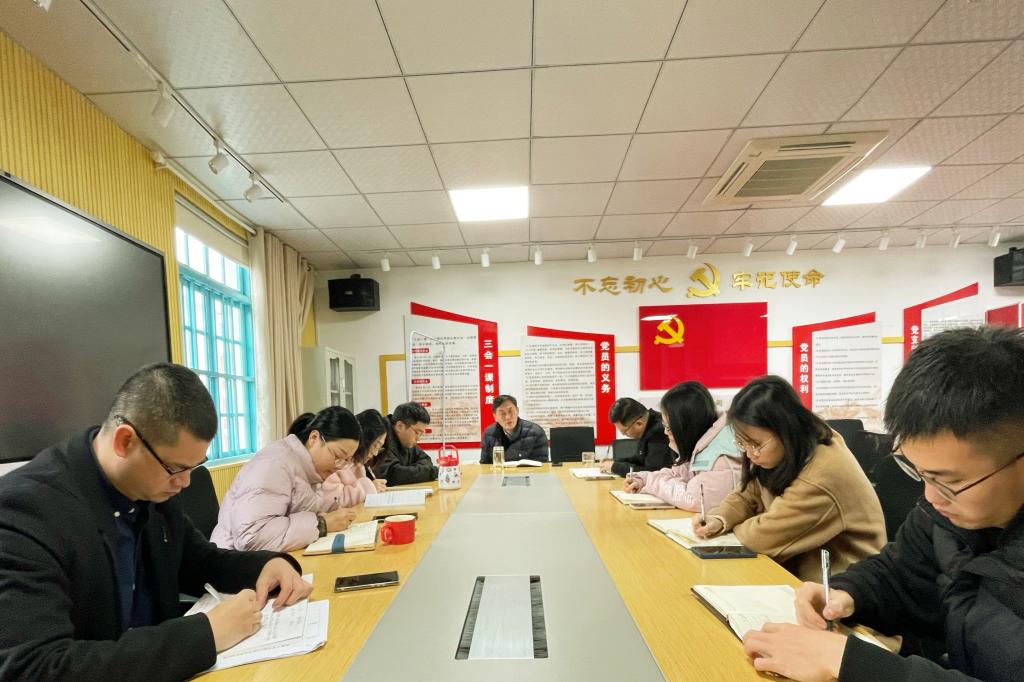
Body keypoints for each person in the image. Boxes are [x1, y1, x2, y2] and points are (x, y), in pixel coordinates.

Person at [742, 327, 1024, 682]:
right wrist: (849, 592)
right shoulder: (944, 516)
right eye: (918, 472)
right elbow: (900, 572)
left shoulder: (823, 465)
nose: (930, 497)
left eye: (949, 482)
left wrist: (855, 665)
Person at [0, 363, 311, 681]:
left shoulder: (152, 491)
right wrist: (207, 635)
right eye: (176, 468)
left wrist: (267, 565)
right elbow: (34, 667)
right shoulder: (25, 511)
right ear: (125, 442)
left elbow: (200, 562)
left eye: (194, 467)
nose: (185, 483)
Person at [695, 375, 886, 582]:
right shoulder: (787, 449)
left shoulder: (821, 475)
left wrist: (736, 526)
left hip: (843, 588)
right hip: (800, 574)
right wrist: (720, 519)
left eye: (755, 444)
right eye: (742, 443)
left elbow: (763, 538)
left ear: (785, 429)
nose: (750, 454)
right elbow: (748, 492)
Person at [211, 406, 363, 552]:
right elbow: (250, 536)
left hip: (267, 559)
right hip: (234, 562)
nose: (339, 466)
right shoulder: (275, 464)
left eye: (346, 461)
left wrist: (320, 518)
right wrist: (321, 525)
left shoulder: (309, 472)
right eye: (337, 456)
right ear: (314, 438)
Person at [622, 382, 742, 511]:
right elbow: (678, 474)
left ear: (686, 428)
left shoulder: (722, 457)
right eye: (664, 426)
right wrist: (643, 479)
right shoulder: (700, 440)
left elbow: (695, 499)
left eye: (669, 428)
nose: (665, 432)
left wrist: (652, 484)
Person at [600, 396, 673, 476]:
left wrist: (615, 467)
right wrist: (616, 462)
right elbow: (641, 458)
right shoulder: (649, 423)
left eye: (625, 431)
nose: (623, 434)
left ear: (639, 423)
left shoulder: (659, 432)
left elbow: (652, 472)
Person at [372, 402, 438, 485]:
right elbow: (392, 475)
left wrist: (410, 472)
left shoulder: (406, 440)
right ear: (400, 426)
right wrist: (433, 472)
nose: (418, 438)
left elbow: (426, 460)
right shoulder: (381, 437)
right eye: (417, 432)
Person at [480, 395, 549, 463]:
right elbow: (484, 464)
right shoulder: (489, 434)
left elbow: (543, 465)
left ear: (517, 410)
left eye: (510, 411)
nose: (508, 417)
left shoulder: (536, 432)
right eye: (502, 413)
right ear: (495, 417)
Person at [355, 408, 389, 494]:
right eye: (375, 445)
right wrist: (368, 488)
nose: (375, 453)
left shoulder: (361, 465)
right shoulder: (341, 464)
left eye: (379, 447)